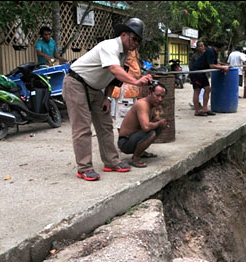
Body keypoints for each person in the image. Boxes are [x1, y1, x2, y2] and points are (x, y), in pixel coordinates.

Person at [62, 17, 153, 181]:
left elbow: (114, 79)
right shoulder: (109, 46)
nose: (136, 43)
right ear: (124, 35)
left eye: (139, 41)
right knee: (82, 128)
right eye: (134, 38)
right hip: (77, 83)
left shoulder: (124, 54)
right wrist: (135, 81)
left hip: (97, 89)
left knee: (105, 125)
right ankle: (84, 167)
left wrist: (107, 97)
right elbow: (114, 69)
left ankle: (111, 161)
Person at [117, 82, 169, 168]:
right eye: (157, 95)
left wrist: (161, 121)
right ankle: (135, 158)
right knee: (151, 133)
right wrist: (159, 123)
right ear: (149, 93)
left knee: (158, 128)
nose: (160, 99)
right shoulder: (142, 104)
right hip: (125, 142)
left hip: (134, 137)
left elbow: (155, 118)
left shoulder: (153, 104)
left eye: (162, 97)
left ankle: (141, 152)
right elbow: (146, 127)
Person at [190, 40, 229, 116]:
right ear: (220, 47)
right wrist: (223, 68)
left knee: (207, 89)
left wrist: (224, 65)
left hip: (202, 72)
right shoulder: (210, 51)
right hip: (196, 72)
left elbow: (216, 63)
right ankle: (197, 111)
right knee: (197, 91)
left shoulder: (215, 52)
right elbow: (211, 65)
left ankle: (205, 108)